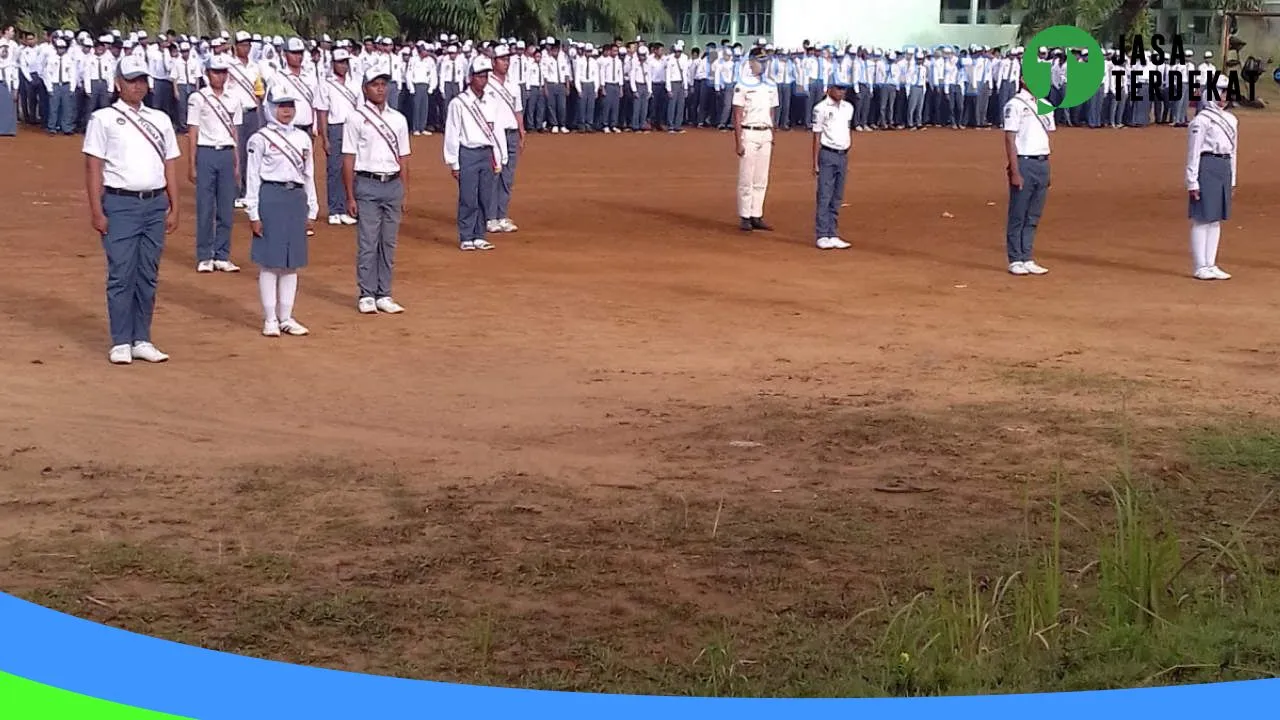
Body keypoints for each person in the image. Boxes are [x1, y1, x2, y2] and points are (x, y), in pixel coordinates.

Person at [82, 55, 180, 365]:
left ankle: (143, 338)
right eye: (131, 80)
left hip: (154, 205)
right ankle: (121, 340)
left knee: (148, 274)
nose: (138, 86)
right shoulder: (103, 119)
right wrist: (97, 210)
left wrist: (175, 206)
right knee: (121, 273)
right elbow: (93, 167)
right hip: (120, 204)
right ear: (117, 84)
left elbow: (170, 165)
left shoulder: (161, 119)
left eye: (142, 80)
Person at [244, 83, 318, 335]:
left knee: (291, 262)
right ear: (270, 107)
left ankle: (286, 316)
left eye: (290, 105)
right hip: (271, 196)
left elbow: (309, 175)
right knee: (270, 261)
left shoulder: (303, 137)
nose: (286, 111)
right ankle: (270, 319)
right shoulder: (260, 138)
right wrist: (253, 211)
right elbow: (252, 176)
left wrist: (312, 208)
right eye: (281, 106)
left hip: (296, 198)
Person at [342, 65, 411, 314]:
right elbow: (348, 158)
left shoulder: (398, 119)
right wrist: (349, 195)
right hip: (367, 183)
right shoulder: (355, 117)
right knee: (368, 241)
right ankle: (366, 293)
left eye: (383, 84)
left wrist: (405, 189)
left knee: (388, 243)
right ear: (365, 88)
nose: (380, 89)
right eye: (375, 84)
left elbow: (403, 158)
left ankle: (384, 292)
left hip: (392, 183)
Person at [444, 54, 505, 252]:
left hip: (487, 153)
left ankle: (480, 235)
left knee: (484, 196)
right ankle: (466, 236)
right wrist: (453, 162)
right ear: (470, 77)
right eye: (479, 76)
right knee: (468, 197)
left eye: (486, 76)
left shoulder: (492, 100)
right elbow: (452, 133)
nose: (483, 80)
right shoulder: (459, 103)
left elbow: (497, 129)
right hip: (468, 152)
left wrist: (500, 155)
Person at [187, 53, 242, 273]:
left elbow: (235, 131)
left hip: (227, 153)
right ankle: (204, 255)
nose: (219, 77)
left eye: (223, 72)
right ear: (207, 73)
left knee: (227, 206)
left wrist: (237, 162)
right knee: (205, 206)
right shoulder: (198, 98)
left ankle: (222, 254)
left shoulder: (234, 98)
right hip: (207, 152)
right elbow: (193, 131)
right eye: (215, 72)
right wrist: (191, 163)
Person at [1186, 73, 1237, 281]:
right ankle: (1200, 265)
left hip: (1223, 166)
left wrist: (1233, 178)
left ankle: (1211, 263)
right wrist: (1192, 180)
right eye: (1219, 92)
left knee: (1215, 219)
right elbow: (1193, 151)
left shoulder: (1232, 119)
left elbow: (1234, 151)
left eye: (1225, 92)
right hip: (1206, 166)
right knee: (1202, 217)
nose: (1222, 98)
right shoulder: (1201, 120)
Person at [1001, 75, 1054, 276]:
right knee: (1018, 213)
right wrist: (1014, 170)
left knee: (1033, 214)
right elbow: (1010, 138)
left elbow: (1047, 133)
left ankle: (1028, 256)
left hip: (1042, 161)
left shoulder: (1045, 104)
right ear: (1024, 79)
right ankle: (1015, 258)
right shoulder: (1014, 105)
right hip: (1024, 161)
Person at [732, 47, 778, 233]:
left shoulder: (771, 85)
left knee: (761, 177)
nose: (763, 64)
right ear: (750, 62)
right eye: (759, 61)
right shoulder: (743, 84)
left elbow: (772, 111)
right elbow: (737, 114)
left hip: (765, 132)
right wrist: (738, 141)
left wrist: (773, 133)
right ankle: (745, 215)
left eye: (765, 61)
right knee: (746, 177)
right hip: (749, 131)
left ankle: (756, 214)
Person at [314, 48, 361, 225]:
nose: (343, 66)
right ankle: (335, 209)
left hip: (353, 128)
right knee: (334, 169)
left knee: (352, 169)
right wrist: (324, 138)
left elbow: (361, 109)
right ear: (333, 63)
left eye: (345, 62)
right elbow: (322, 112)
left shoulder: (355, 83)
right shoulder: (326, 84)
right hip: (335, 128)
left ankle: (350, 208)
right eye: (340, 62)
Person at [485, 44, 524, 234]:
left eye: (508, 60)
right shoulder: (487, 83)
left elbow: (518, 109)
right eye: (502, 59)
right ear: (494, 62)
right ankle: (490, 216)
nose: (506, 63)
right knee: (494, 174)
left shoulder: (513, 83)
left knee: (508, 177)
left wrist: (522, 130)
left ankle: (502, 215)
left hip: (511, 133)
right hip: (494, 135)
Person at [811, 80, 854, 250]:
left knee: (837, 196)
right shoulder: (820, 108)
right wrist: (814, 162)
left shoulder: (848, 108)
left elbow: (846, 129)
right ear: (829, 89)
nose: (842, 92)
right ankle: (822, 234)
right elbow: (816, 136)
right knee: (824, 195)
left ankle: (833, 233)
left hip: (842, 154)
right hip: (828, 153)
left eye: (844, 89)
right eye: (838, 88)